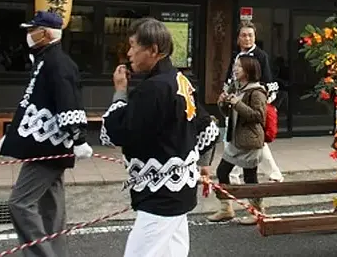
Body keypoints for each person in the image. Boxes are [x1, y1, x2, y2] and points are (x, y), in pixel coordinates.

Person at [100, 18, 219, 257]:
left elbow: (118, 132)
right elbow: (208, 128)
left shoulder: (153, 88)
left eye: (134, 46)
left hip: (161, 194)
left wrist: (120, 92)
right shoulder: (179, 80)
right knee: (172, 251)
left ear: (153, 50)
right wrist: (202, 163)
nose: (129, 53)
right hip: (180, 187)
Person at [0, 11, 93, 257]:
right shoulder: (45, 59)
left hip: (47, 145)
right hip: (43, 142)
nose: (29, 35)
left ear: (47, 33)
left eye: (33, 30)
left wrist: (78, 137)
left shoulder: (58, 63)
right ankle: (55, 253)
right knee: (51, 207)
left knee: (20, 203)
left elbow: (69, 101)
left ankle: (42, 255)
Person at [221, 21, 284, 184]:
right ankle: (236, 178)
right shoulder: (236, 54)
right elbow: (230, 78)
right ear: (238, 38)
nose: (247, 38)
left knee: (253, 143)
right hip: (235, 102)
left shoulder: (261, 56)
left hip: (251, 103)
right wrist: (225, 95)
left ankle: (271, 174)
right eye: (243, 35)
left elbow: (268, 81)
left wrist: (265, 100)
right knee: (237, 141)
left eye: (250, 35)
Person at [208, 55, 268, 224]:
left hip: (250, 141)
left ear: (248, 71)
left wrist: (237, 103)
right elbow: (231, 114)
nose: (235, 69)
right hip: (235, 140)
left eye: (239, 67)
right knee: (222, 172)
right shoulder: (237, 88)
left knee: (250, 177)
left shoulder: (256, 92)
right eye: (235, 65)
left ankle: (257, 212)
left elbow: (258, 117)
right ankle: (226, 208)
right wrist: (223, 104)